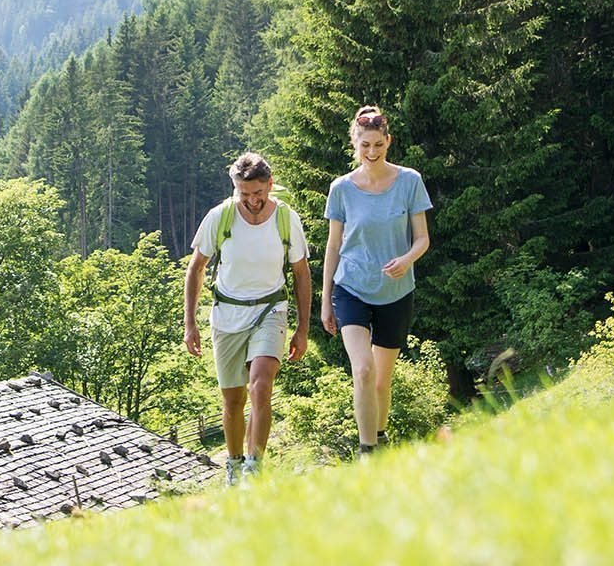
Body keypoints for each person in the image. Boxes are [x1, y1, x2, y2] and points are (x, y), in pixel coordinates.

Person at [183, 152, 311, 484]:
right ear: (235, 189)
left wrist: (302, 329)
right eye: (245, 194)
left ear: (270, 185)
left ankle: (255, 466)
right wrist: (190, 323)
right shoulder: (220, 218)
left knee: (261, 386)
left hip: (271, 309)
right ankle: (234, 466)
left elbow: (301, 273)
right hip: (228, 314)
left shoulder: (286, 219)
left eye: (258, 193)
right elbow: (196, 268)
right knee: (233, 399)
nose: (253, 201)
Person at [321, 106, 431, 456]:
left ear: (388, 141)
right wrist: (326, 300)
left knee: (383, 381)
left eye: (378, 145)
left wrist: (407, 259)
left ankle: (380, 438)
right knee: (364, 370)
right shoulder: (341, 189)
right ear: (354, 143)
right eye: (364, 145)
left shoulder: (409, 181)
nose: (371, 153)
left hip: (397, 291)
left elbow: (422, 239)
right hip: (351, 287)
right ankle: (366, 451)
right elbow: (333, 245)